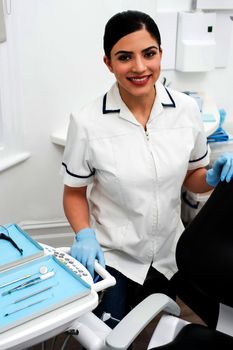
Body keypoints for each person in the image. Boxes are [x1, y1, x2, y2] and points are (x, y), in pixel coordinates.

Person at [60, 10, 233, 328]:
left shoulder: (185, 110)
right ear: (108, 63)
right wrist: (84, 234)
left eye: (149, 54)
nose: (139, 67)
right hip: (114, 254)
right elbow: (74, 191)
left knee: (175, 320)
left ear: (160, 55)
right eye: (125, 57)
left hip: (171, 248)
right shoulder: (87, 122)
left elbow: (192, 178)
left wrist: (209, 177)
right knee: (107, 333)